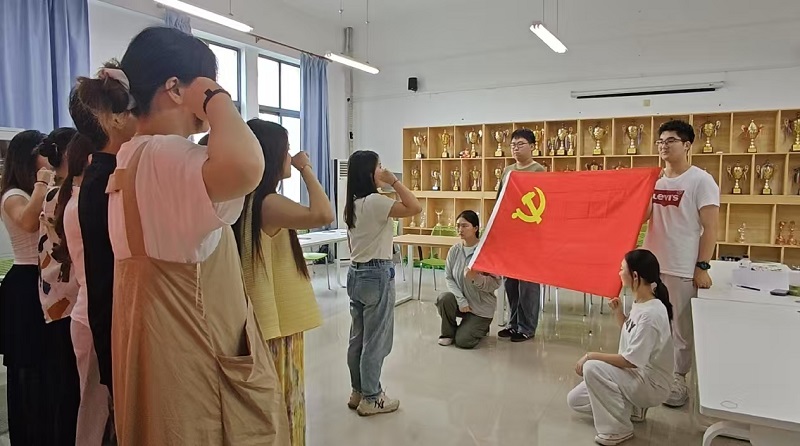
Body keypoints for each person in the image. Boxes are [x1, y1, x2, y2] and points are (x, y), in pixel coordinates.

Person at [96, 26, 289, 444]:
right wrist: (216, 98)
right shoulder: (165, 154)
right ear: (175, 88)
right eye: (205, 81)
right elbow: (247, 166)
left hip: (156, 358)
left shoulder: (132, 155)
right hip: (195, 367)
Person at [232, 119, 332, 446]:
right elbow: (323, 214)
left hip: (259, 321)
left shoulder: (243, 198)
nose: (291, 156)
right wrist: (306, 170)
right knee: (286, 402)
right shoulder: (268, 202)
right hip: (276, 326)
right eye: (286, 151)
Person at [67, 78, 136, 444]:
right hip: (109, 317)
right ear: (113, 119)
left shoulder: (105, 171)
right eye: (132, 110)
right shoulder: (107, 177)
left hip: (107, 314)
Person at [642, 119, 719, 408]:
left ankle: (678, 378)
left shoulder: (701, 181)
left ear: (687, 145)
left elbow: (711, 227)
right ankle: (650, 370)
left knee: (680, 329)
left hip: (681, 265)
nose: (664, 145)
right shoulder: (654, 180)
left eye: (671, 140)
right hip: (652, 264)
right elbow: (642, 215)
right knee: (650, 321)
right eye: (661, 141)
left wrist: (702, 266)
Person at [567, 249, 674, 446]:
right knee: (575, 400)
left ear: (635, 276)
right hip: (637, 375)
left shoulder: (651, 314)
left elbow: (631, 360)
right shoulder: (642, 301)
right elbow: (631, 331)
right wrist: (619, 312)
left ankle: (617, 430)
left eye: (622, 269)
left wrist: (590, 356)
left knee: (592, 368)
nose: (619, 273)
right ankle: (633, 408)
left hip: (651, 384)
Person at [344, 150, 421, 416]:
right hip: (376, 273)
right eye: (379, 166)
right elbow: (415, 207)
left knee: (358, 337)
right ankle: (372, 397)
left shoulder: (352, 204)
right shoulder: (376, 201)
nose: (383, 169)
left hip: (356, 271)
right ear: (369, 173)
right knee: (375, 340)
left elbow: (351, 243)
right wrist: (394, 182)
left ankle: (357, 391)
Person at [0, 129, 53, 445]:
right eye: (45, 150)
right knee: (27, 364)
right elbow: (28, 222)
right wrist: (43, 183)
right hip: (24, 282)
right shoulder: (13, 195)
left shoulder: (38, 190)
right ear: (29, 156)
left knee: (45, 363)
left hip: (44, 278)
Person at [36, 127, 82, 445]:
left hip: (54, 296)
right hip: (71, 298)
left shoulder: (52, 193)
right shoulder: (68, 196)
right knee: (72, 388)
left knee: (64, 385)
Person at [496, 128, 546, 342]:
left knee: (528, 284)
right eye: (513, 145)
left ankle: (527, 327)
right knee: (511, 283)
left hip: (531, 237)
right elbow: (500, 201)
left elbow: (545, 203)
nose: (516, 148)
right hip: (511, 235)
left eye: (521, 144)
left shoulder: (539, 171)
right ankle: (513, 323)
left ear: (532, 146)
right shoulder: (507, 171)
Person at [436, 210, 499, 349]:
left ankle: (480, 327)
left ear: (475, 228)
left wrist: (475, 277)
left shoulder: (486, 252)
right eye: (458, 226)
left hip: (481, 308)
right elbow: (449, 277)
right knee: (444, 299)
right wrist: (461, 300)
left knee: (463, 342)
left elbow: (495, 283)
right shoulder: (454, 250)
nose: (460, 229)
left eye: (465, 226)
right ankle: (448, 333)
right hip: (462, 304)